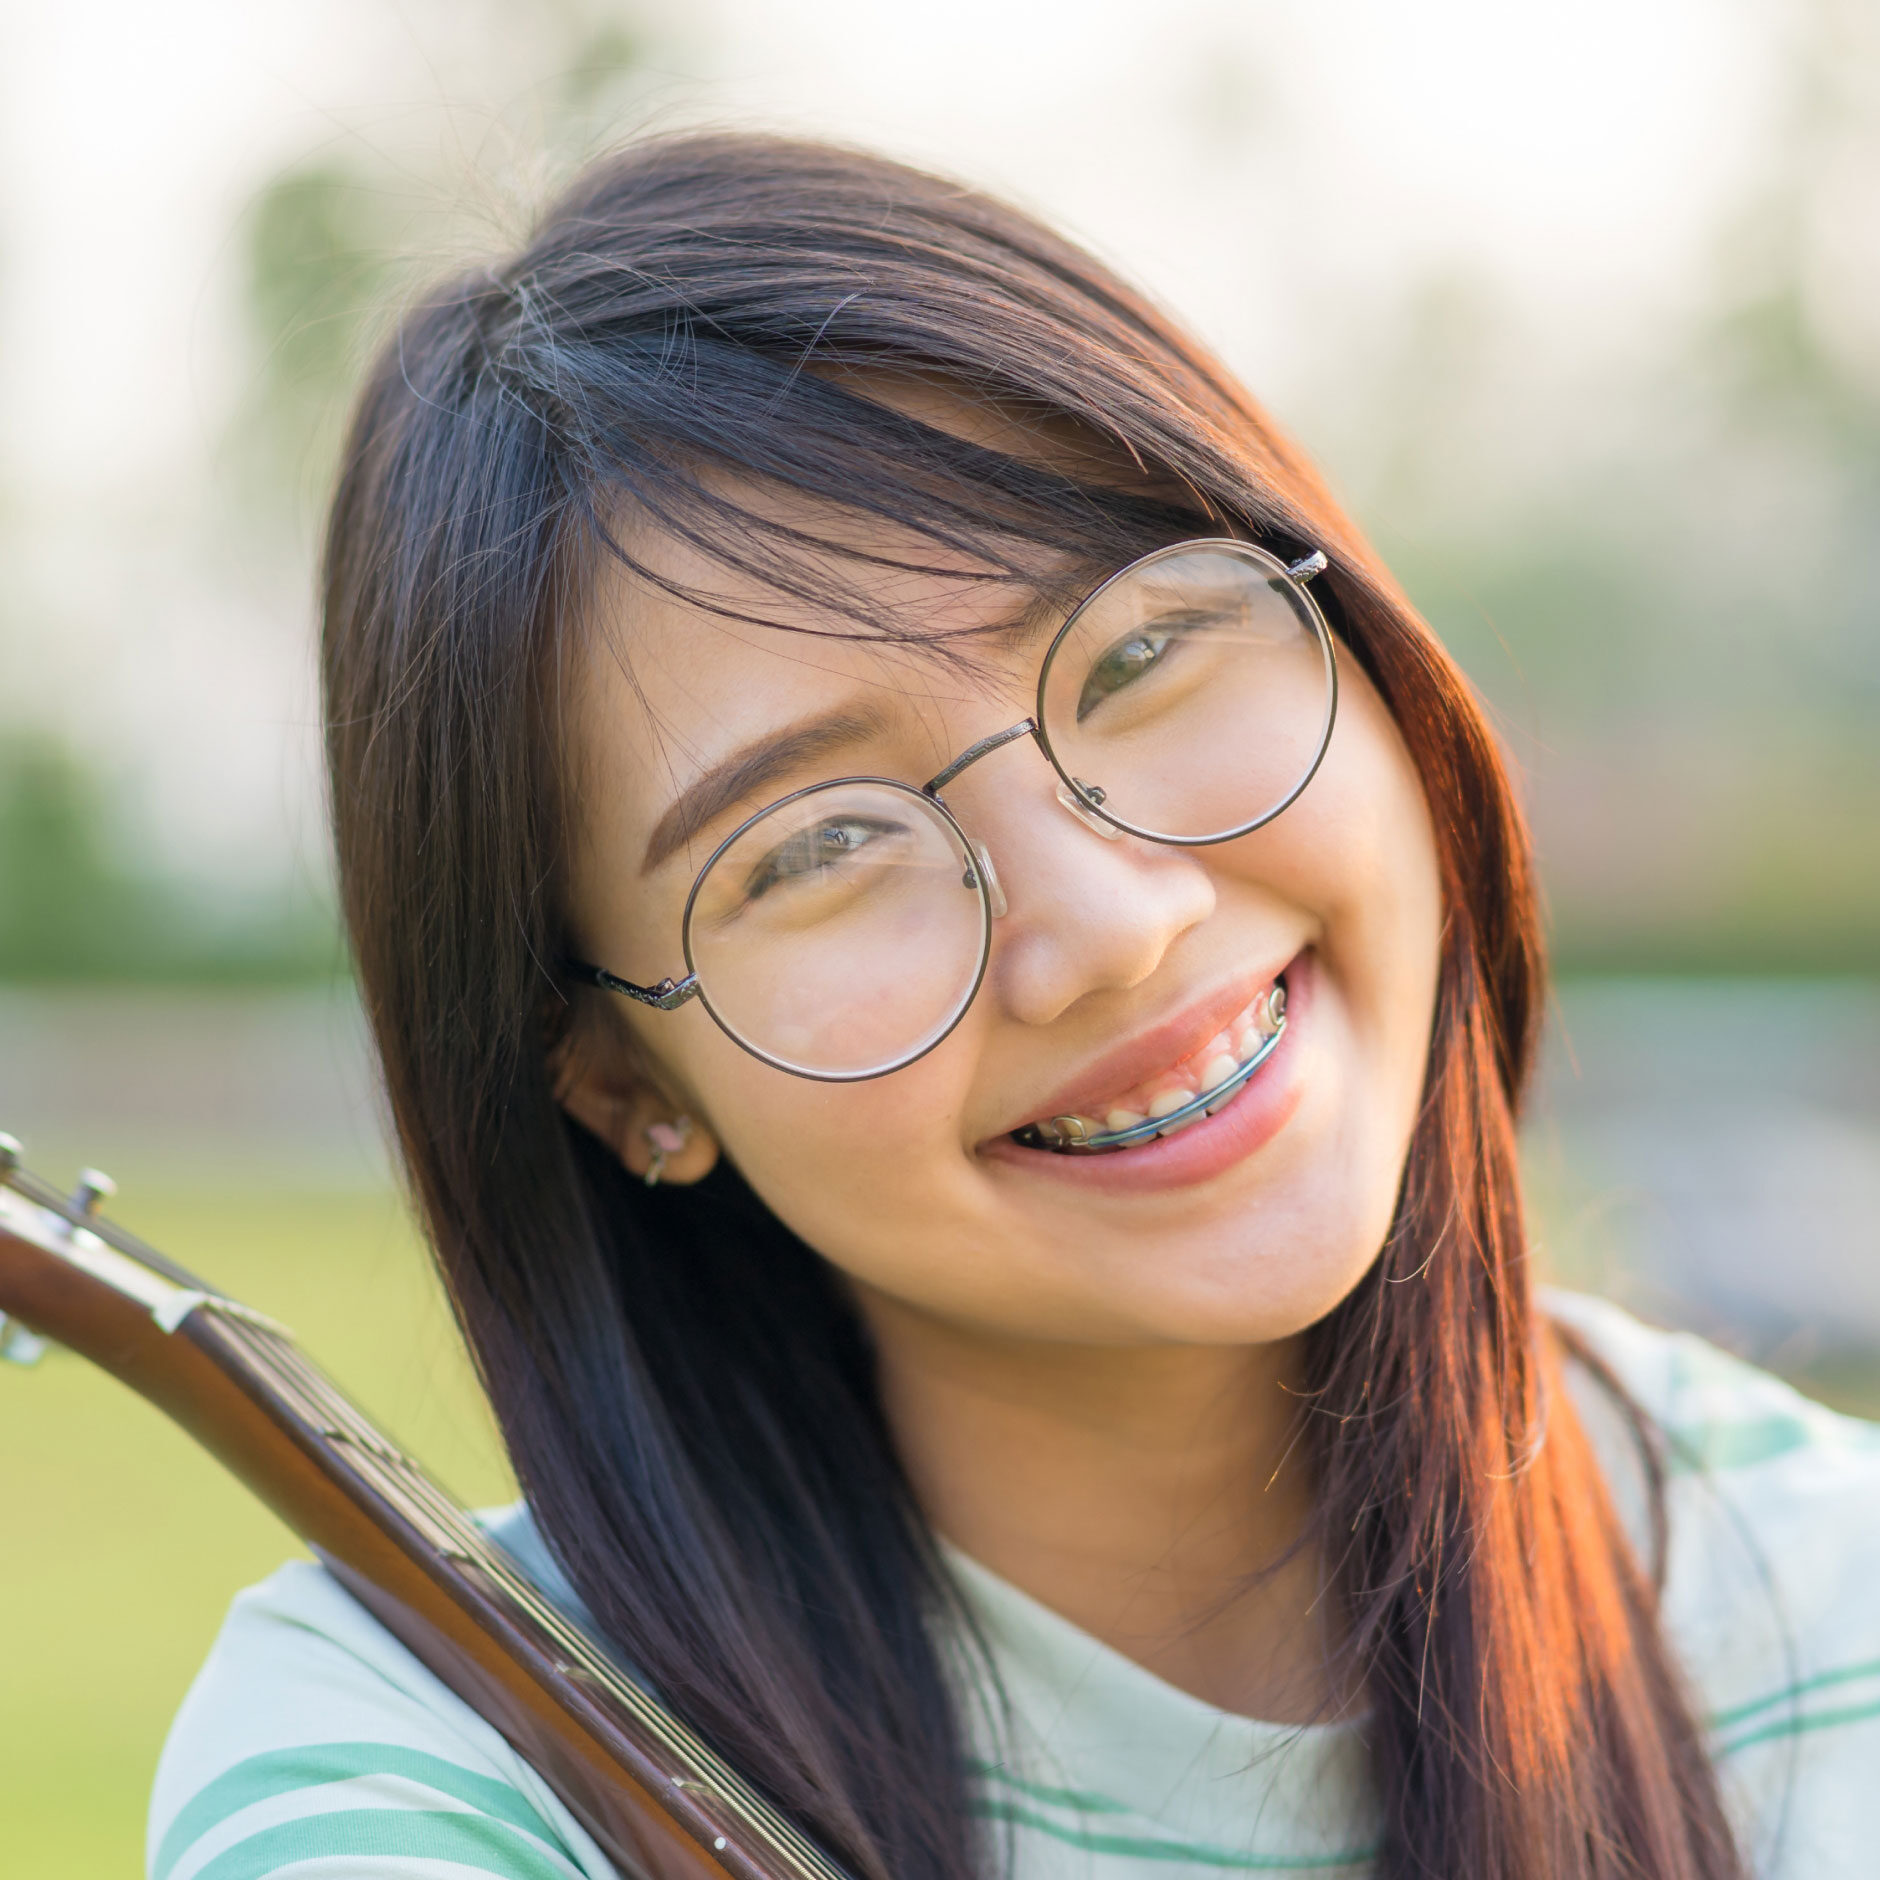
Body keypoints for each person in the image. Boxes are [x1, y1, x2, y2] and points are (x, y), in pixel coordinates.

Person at [149, 133, 1880, 1880]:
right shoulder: (424, 1752)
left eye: (1140, 655)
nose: (1109, 925)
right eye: (818, 846)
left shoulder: (1833, 1619)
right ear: (615, 1078)